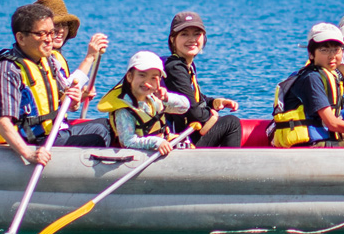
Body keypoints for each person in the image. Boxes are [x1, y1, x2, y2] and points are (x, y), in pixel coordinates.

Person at [0, 2, 110, 166]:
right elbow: (4, 124)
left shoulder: (46, 61)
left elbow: (65, 101)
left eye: (51, 33)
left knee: (107, 125)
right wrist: (29, 154)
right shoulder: (8, 71)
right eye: (41, 34)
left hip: (51, 134)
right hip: (33, 142)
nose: (49, 39)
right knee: (99, 134)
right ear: (21, 38)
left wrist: (75, 98)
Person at [163, 11, 245, 148]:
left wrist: (214, 102)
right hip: (178, 140)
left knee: (228, 122)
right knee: (232, 123)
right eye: (184, 34)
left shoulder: (185, 65)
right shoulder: (174, 68)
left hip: (186, 133)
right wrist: (211, 115)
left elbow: (193, 98)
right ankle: (230, 169)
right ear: (172, 39)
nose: (192, 39)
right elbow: (195, 113)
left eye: (197, 34)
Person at [96, 51, 194, 154]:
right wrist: (156, 142)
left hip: (161, 146)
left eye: (153, 78)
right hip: (139, 155)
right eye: (142, 75)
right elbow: (128, 142)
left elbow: (184, 107)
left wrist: (166, 98)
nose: (147, 82)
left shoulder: (154, 99)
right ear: (129, 77)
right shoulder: (124, 110)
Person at [33, 0, 110, 108]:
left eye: (64, 25)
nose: (61, 31)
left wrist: (81, 96)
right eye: (56, 25)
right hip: (47, 125)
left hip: (54, 121)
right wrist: (89, 58)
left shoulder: (55, 58)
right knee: (102, 126)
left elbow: (65, 100)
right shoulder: (39, 59)